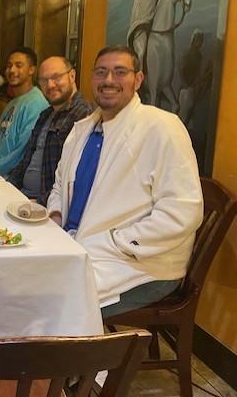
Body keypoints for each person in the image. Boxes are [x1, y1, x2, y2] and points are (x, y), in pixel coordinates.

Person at [46, 45, 203, 317]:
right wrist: (57, 216)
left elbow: (182, 211)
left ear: (138, 79)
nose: (108, 80)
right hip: (78, 247)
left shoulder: (162, 128)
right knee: (21, 283)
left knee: (52, 305)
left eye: (120, 72)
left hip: (140, 267)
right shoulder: (83, 129)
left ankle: (72, 358)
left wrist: (116, 242)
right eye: (101, 72)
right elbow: (60, 184)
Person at [7, 56, 91, 205]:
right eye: (44, 81)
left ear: (72, 76)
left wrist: (39, 203)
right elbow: (26, 161)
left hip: (46, 207)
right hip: (22, 197)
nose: (50, 85)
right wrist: (7, 187)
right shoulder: (45, 114)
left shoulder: (84, 116)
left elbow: (76, 179)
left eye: (56, 77)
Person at [0, 47, 48, 176]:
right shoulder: (11, 103)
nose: (12, 70)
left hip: (10, 177)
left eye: (19, 66)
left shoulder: (36, 103)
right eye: (9, 66)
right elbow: (1, 145)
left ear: (31, 70)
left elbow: (23, 151)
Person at [127, 0, 160, 72]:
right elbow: (136, 10)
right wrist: (137, 23)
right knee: (141, 52)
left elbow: (158, 3)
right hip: (139, 25)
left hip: (151, 21)